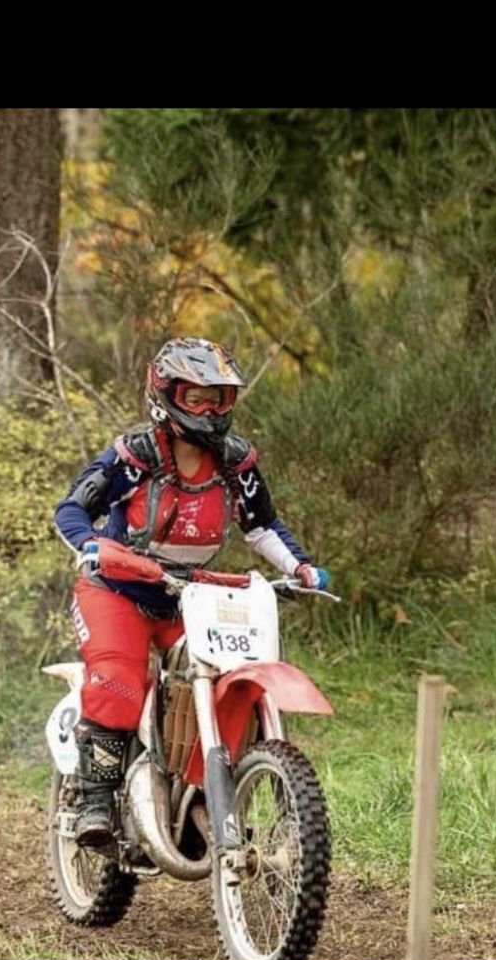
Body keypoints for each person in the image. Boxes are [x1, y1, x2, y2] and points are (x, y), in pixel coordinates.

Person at [53, 337, 330, 846]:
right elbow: (70, 511)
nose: (210, 410)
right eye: (196, 397)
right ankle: (93, 801)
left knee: (233, 680)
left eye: (220, 398)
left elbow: (261, 526)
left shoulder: (235, 462)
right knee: (119, 681)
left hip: (190, 594)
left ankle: (202, 794)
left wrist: (302, 567)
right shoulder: (134, 456)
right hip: (116, 589)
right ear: (166, 395)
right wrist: (92, 547)